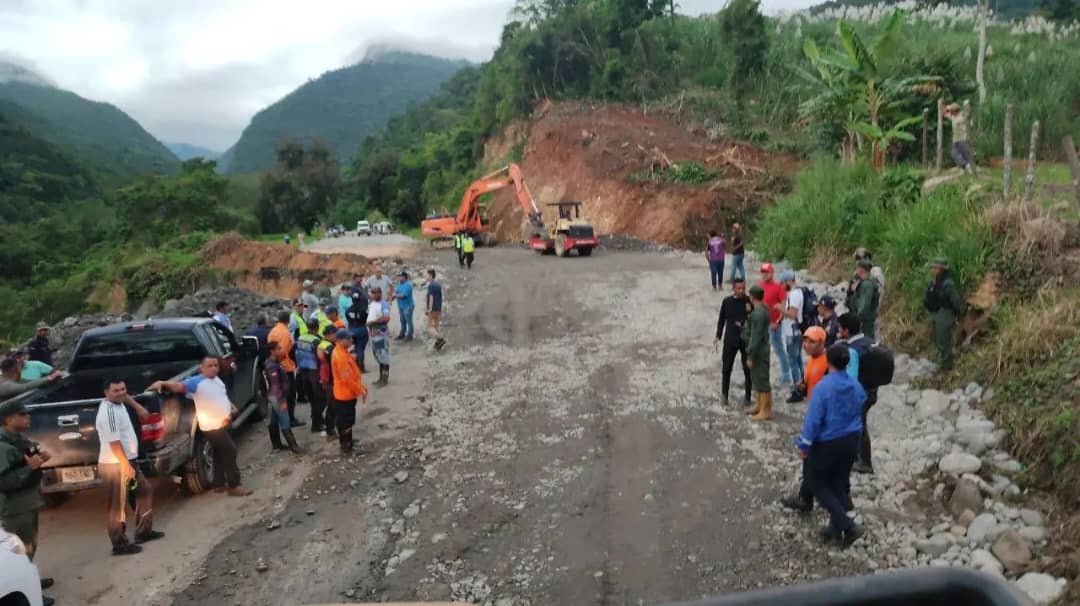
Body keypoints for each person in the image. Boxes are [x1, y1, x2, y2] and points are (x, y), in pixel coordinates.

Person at [794, 345, 865, 547]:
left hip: (829, 441)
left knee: (815, 481)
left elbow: (814, 420)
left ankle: (847, 525)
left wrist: (804, 444)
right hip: (852, 438)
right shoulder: (855, 384)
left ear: (828, 362)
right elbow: (862, 401)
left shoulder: (823, 388)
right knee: (838, 483)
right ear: (847, 363)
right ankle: (835, 530)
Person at [149, 357, 253, 496]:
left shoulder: (216, 380)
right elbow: (178, 386)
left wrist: (231, 407)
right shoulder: (196, 382)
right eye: (210, 366)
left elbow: (222, 396)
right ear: (201, 368)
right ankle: (234, 485)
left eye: (216, 365)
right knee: (230, 451)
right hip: (212, 427)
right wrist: (162, 383)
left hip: (223, 423)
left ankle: (219, 484)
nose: (214, 368)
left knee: (218, 453)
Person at [95, 379, 165, 555]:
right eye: (115, 390)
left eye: (123, 389)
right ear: (106, 393)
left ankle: (144, 532)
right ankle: (119, 544)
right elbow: (114, 442)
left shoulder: (119, 401)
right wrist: (125, 464)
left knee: (144, 490)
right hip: (116, 464)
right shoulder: (108, 412)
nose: (120, 393)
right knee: (117, 506)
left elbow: (125, 398)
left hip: (128, 461)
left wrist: (138, 407)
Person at [0, 399, 57, 605]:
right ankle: (27, 591)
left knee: (30, 546)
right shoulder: (2, 446)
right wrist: (30, 468)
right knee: (18, 551)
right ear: (8, 419)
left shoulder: (18, 439)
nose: (28, 417)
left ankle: (30, 579)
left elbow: (24, 462)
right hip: (15, 508)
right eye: (23, 415)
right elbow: (4, 481)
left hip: (29, 501)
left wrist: (39, 460)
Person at [838, 313, 877, 475]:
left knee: (859, 426)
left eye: (840, 328)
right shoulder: (869, 341)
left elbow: (851, 377)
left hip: (860, 392)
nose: (839, 331)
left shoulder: (853, 350)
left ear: (846, 331)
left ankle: (865, 462)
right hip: (872, 388)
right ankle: (856, 457)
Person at [716, 278, 753, 407]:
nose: (741, 291)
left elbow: (753, 320)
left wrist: (747, 315)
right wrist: (718, 335)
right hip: (730, 339)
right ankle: (724, 395)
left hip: (745, 340)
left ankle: (748, 397)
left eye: (743, 288)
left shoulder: (749, 301)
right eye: (738, 288)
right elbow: (721, 319)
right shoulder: (727, 302)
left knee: (747, 369)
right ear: (733, 288)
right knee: (726, 368)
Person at [924, 257, 966, 372]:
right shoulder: (936, 281)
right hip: (936, 313)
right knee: (938, 339)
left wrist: (961, 313)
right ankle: (942, 362)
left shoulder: (948, 283)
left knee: (944, 340)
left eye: (935, 267)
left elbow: (955, 300)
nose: (933, 269)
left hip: (945, 313)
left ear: (941, 269)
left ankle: (947, 366)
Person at [330, 329, 367, 453]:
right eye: (348, 338)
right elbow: (347, 379)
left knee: (347, 420)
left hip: (346, 393)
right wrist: (360, 390)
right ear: (340, 341)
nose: (351, 340)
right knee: (345, 421)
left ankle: (347, 441)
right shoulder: (340, 356)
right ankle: (346, 446)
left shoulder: (342, 352)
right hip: (345, 394)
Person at [263, 342, 302, 454]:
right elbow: (275, 385)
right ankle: (294, 446)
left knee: (273, 421)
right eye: (279, 348)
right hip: (277, 397)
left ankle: (276, 446)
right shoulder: (272, 366)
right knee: (285, 421)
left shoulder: (273, 363)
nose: (282, 350)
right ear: (272, 351)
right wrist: (281, 401)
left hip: (272, 397)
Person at [270, 311, 304, 427]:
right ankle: (290, 419)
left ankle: (284, 418)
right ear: (288, 320)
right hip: (285, 367)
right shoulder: (285, 332)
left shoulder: (273, 331)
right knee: (289, 394)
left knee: (280, 394)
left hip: (275, 365)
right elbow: (283, 351)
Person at [758, 263, 790, 387]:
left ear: (772, 273)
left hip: (774, 324)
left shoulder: (779, 288)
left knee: (779, 349)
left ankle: (786, 375)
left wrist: (778, 322)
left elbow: (783, 306)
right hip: (761, 324)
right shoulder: (759, 287)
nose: (764, 274)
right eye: (762, 272)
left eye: (766, 272)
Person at [744, 285, 772, 421]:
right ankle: (759, 405)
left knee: (762, 379)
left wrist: (750, 356)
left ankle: (765, 410)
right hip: (761, 349)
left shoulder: (758, 314)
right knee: (757, 378)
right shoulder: (762, 310)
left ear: (752, 297)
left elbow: (756, 336)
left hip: (759, 351)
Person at [295, 318, 325, 434]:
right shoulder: (316, 341)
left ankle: (318, 421)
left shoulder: (300, 338)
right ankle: (316, 424)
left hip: (303, 372)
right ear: (317, 328)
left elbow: (295, 353)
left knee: (312, 399)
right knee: (319, 399)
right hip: (314, 372)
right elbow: (320, 358)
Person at [779, 270, 805, 394]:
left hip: (792, 333)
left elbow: (793, 314)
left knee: (793, 362)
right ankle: (802, 384)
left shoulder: (794, 294)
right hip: (797, 332)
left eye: (782, 283)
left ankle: (797, 389)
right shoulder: (798, 292)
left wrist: (780, 309)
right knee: (798, 359)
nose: (781, 286)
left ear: (788, 281)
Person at [845, 259, 880, 343]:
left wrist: (856, 319)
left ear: (861, 270)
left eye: (857, 269)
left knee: (866, 343)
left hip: (865, 322)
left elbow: (864, 306)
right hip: (863, 320)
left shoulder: (867, 285)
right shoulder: (862, 282)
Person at [316, 324, 338, 439]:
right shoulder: (329, 347)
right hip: (330, 379)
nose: (337, 336)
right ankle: (330, 430)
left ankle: (331, 428)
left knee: (331, 405)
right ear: (330, 335)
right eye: (335, 334)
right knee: (332, 405)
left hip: (325, 377)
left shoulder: (322, 344)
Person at [367, 287, 392, 386]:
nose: (374, 295)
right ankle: (381, 377)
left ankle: (384, 378)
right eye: (372, 293)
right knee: (377, 355)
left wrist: (373, 322)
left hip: (380, 333)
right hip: (373, 333)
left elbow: (386, 318)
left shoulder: (384, 304)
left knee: (383, 356)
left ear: (380, 293)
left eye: (376, 293)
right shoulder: (372, 304)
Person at [346, 286, 370, 372]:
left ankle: (355, 365)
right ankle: (361, 367)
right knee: (360, 349)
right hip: (361, 329)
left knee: (355, 347)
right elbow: (367, 318)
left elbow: (348, 319)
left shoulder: (348, 310)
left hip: (352, 329)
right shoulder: (364, 310)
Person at [945, 102, 974, 173]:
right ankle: (966, 166)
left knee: (965, 154)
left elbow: (970, 123)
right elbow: (944, 114)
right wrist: (943, 104)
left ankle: (968, 167)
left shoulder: (961, 117)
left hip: (963, 138)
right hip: (956, 139)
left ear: (955, 111)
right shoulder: (953, 116)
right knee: (954, 153)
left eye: (951, 110)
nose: (950, 111)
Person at [426, 269, 446, 351]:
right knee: (436, 327)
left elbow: (431, 297)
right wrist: (440, 309)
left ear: (430, 275)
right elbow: (440, 297)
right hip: (438, 308)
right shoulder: (438, 285)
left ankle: (441, 339)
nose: (426, 277)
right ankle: (438, 345)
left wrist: (429, 309)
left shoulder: (431, 285)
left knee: (429, 327)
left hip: (433, 309)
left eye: (427, 275)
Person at [394, 272, 415, 341]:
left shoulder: (408, 285)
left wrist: (395, 296)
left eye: (401, 276)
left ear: (405, 277)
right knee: (402, 321)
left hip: (408, 306)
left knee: (408, 321)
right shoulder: (399, 285)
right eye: (399, 276)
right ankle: (402, 334)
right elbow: (396, 292)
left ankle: (409, 335)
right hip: (401, 306)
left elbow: (403, 295)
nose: (399, 277)